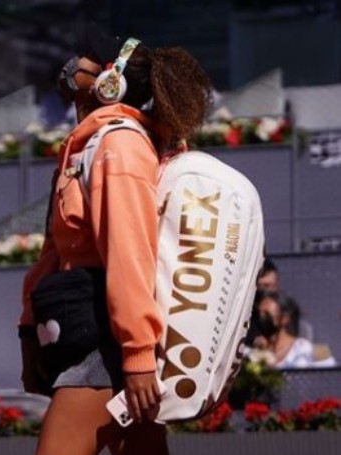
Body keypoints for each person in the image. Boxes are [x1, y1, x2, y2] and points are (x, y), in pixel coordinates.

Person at [18, 22, 211, 455]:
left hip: (107, 343)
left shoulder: (119, 145)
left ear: (110, 80)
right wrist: (29, 333)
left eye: (84, 61)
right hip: (90, 334)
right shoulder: (87, 147)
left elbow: (129, 254)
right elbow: (53, 254)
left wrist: (139, 357)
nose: (72, 67)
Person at [252, 290, 336, 368]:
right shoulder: (253, 353)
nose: (261, 317)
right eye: (258, 313)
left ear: (285, 318)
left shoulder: (307, 351)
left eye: (266, 314)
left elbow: (329, 377)